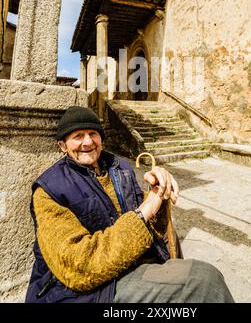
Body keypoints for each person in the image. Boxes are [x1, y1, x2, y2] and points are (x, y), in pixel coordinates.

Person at [25, 106, 234, 303]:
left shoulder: (119, 167)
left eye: (93, 134)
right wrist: (145, 210)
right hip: (84, 290)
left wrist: (158, 195)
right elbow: (79, 266)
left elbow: (153, 224)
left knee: (206, 276)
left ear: (102, 139)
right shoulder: (49, 189)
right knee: (204, 283)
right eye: (78, 136)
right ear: (63, 146)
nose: (88, 142)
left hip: (131, 264)